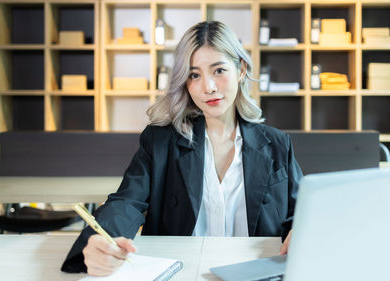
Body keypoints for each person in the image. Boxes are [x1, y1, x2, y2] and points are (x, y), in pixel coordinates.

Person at [61, 21, 303, 276]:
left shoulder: (277, 144)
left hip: (256, 273)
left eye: (219, 70)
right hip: (182, 272)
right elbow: (125, 203)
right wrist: (100, 242)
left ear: (241, 69)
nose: (208, 87)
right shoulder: (160, 141)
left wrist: (300, 232)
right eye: (194, 75)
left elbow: (300, 214)